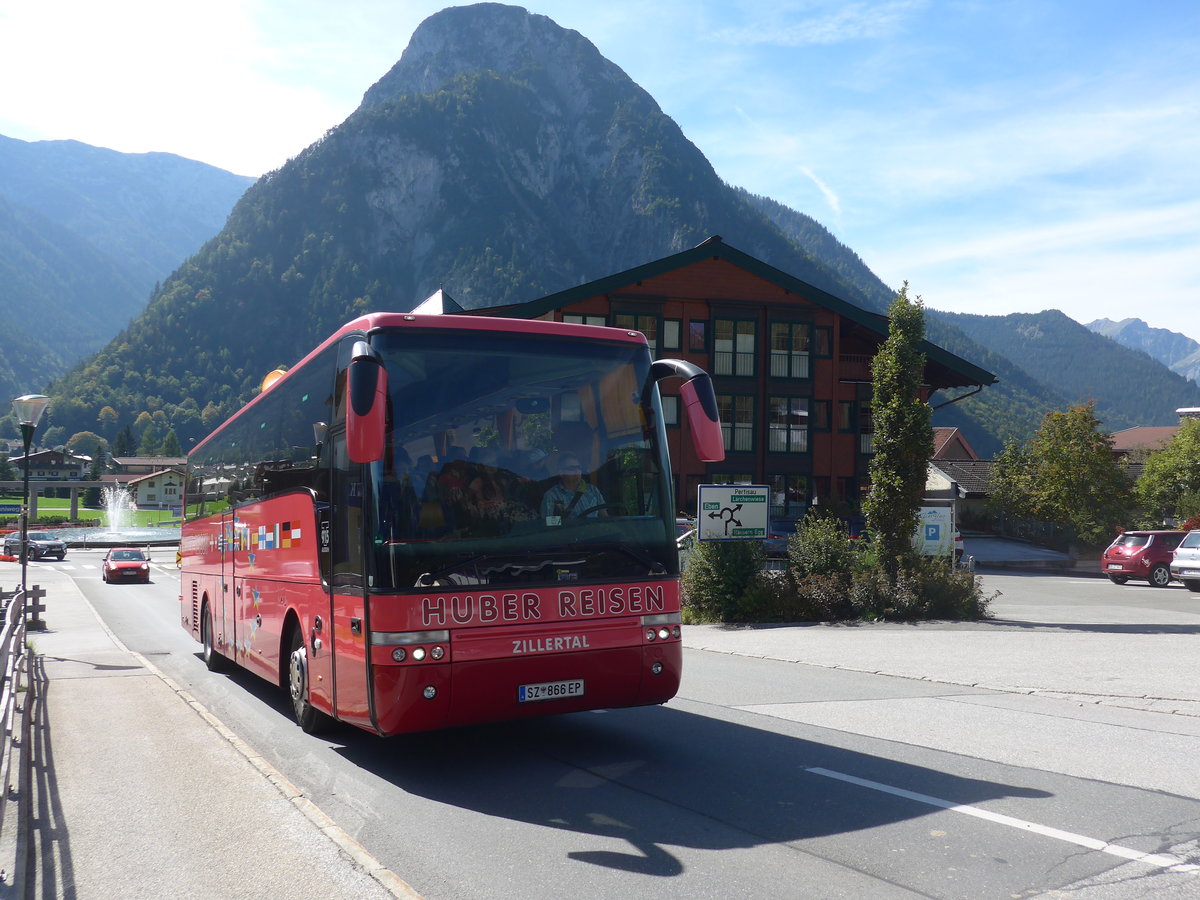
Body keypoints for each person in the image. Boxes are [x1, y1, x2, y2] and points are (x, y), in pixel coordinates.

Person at [541, 454, 606, 520]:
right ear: (561, 473)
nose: (577, 471)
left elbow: (604, 516)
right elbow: (548, 523)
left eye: (578, 467)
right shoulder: (552, 495)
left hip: (594, 526)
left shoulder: (592, 489)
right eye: (572, 468)